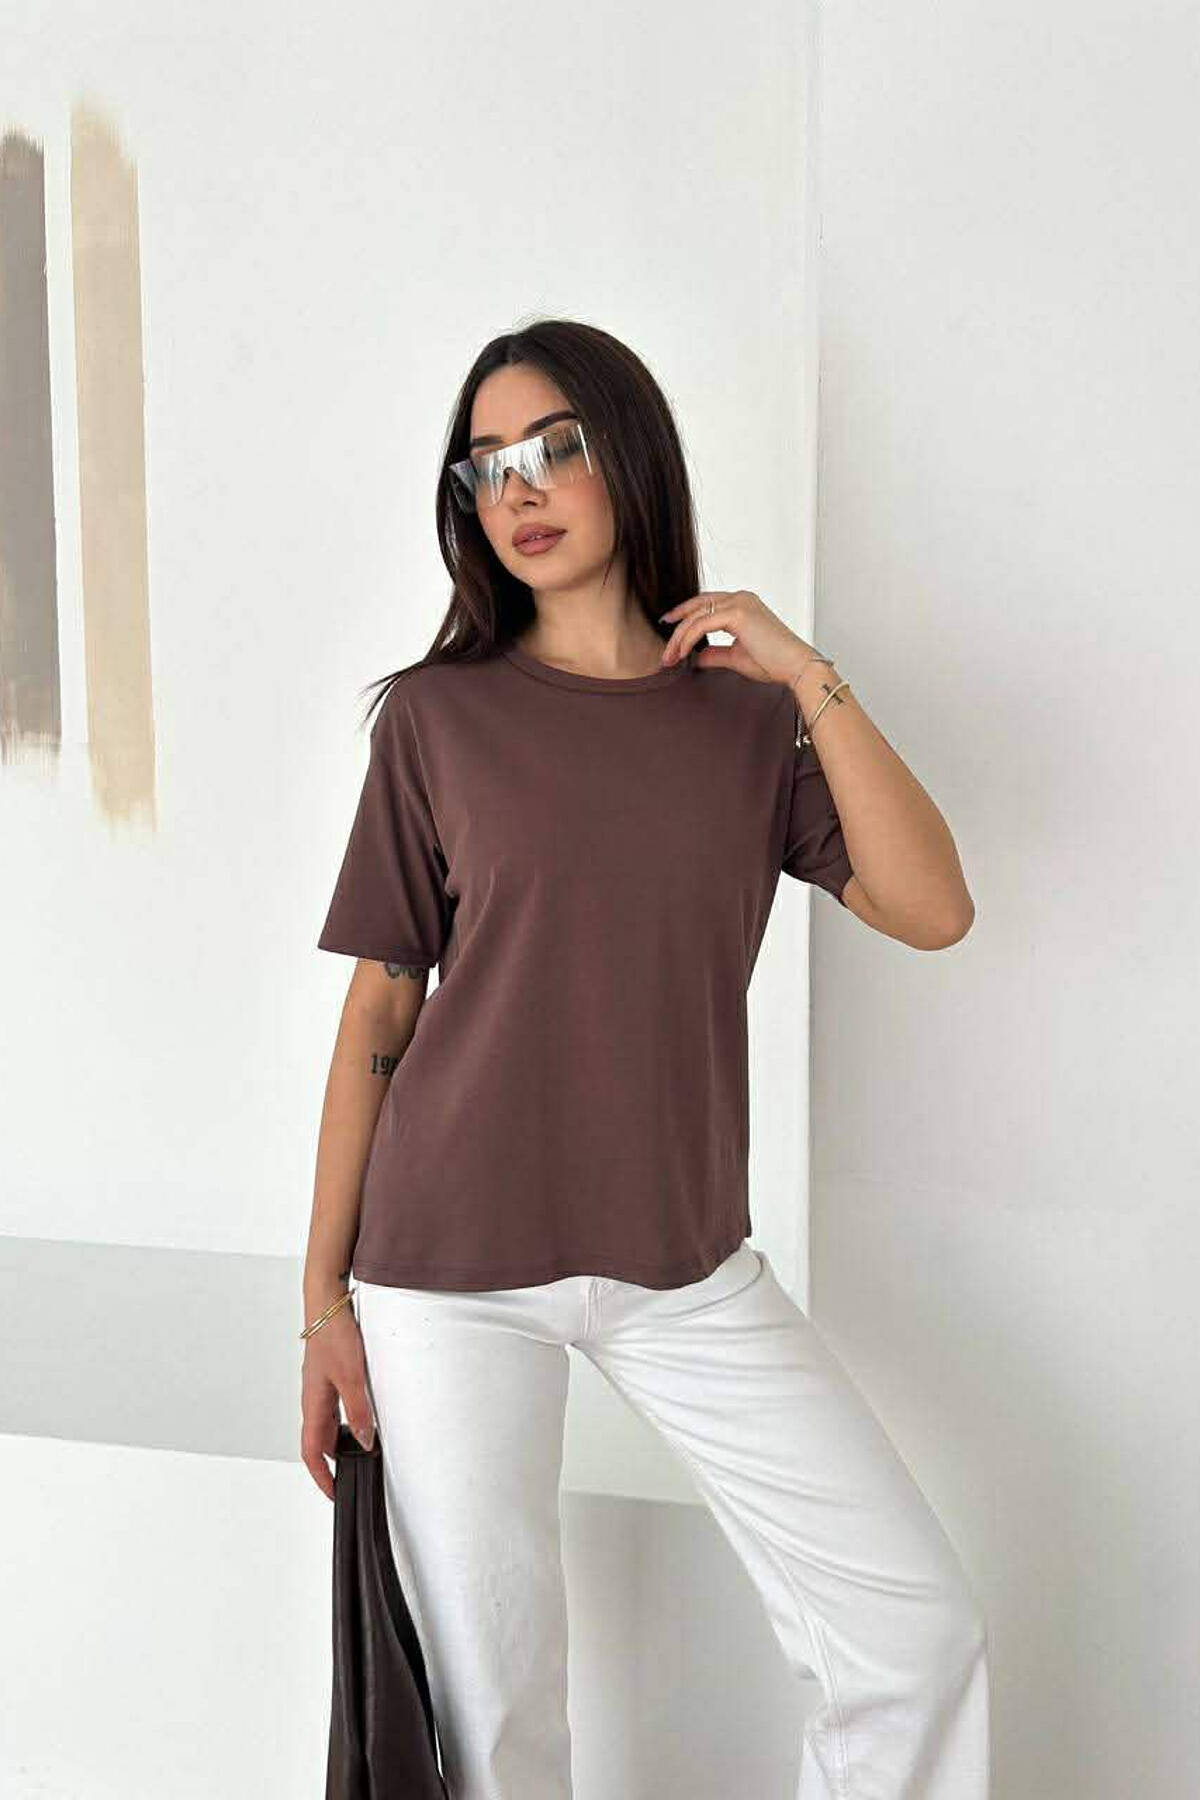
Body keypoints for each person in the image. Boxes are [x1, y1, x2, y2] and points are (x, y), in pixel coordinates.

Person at [299, 317, 990, 1798]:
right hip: (448, 1270)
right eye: (487, 466)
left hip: (684, 1262)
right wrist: (322, 1308)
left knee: (911, 1635)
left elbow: (933, 908)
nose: (520, 489)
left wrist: (806, 672)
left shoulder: (742, 726)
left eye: (555, 447)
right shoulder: (438, 718)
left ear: (628, 454)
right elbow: (377, 1023)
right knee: (495, 1722)